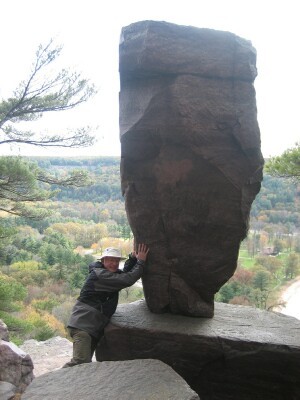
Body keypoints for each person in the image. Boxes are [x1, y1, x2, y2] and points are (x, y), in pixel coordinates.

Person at [62, 243, 149, 367]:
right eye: (110, 260)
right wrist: (141, 262)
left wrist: (133, 258)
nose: (113, 263)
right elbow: (127, 279)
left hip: (91, 328)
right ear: (103, 260)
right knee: (80, 362)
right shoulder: (100, 275)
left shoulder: (104, 273)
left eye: (116, 261)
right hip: (82, 327)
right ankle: (54, 383)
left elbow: (123, 274)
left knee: (84, 365)